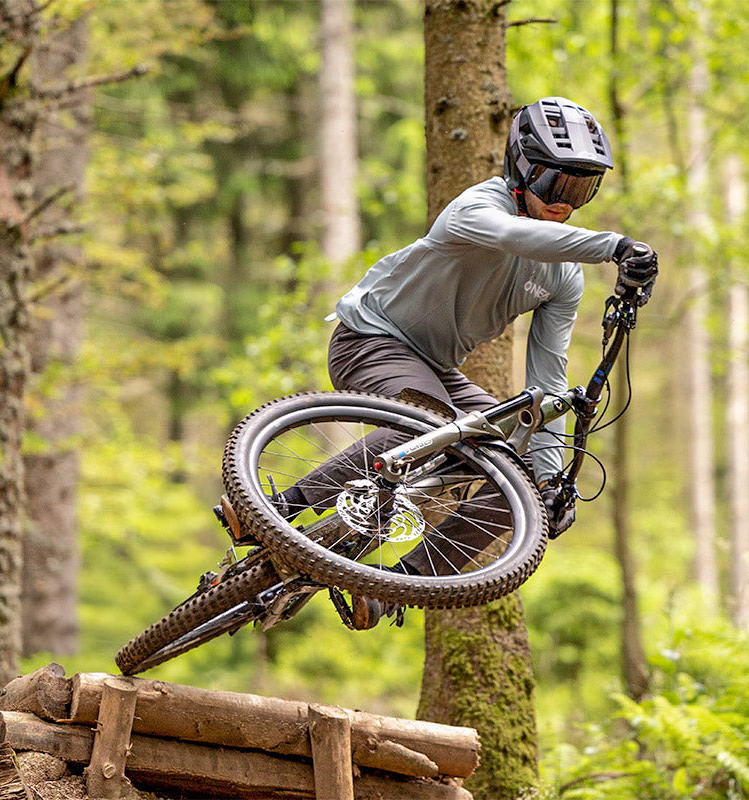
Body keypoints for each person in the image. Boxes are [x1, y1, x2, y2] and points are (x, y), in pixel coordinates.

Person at [224, 97, 657, 627]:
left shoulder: (564, 276)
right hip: (371, 337)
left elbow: (547, 384)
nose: (564, 203)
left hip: (435, 367)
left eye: (581, 190)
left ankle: (391, 588)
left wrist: (549, 480)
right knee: (429, 423)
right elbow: (514, 236)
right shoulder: (479, 207)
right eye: (555, 183)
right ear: (522, 170)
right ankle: (274, 509)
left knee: (518, 475)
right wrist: (614, 247)